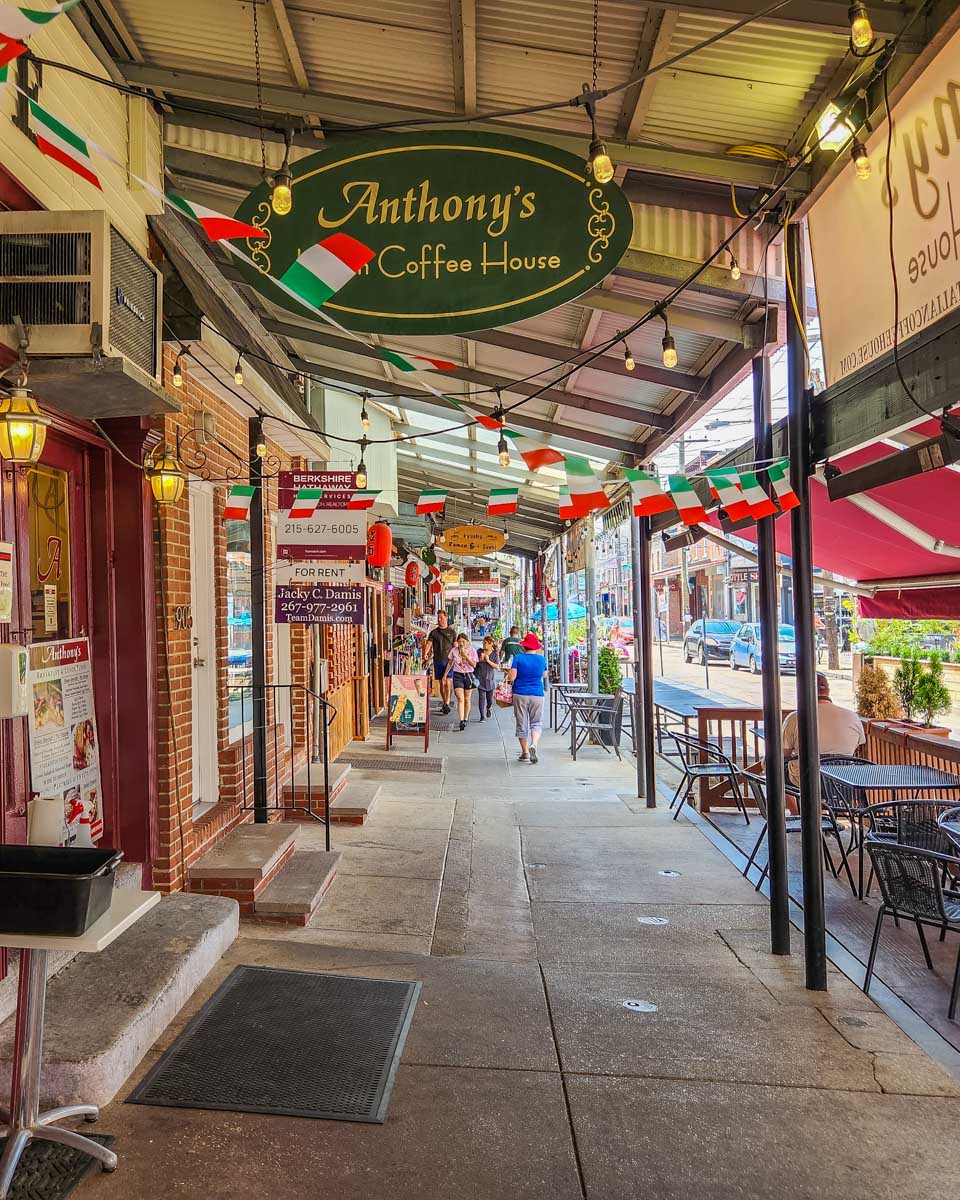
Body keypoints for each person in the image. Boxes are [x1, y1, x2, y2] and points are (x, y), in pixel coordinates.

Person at [782, 672, 864, 787]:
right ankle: (828, 805)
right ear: (828, 691)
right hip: (843, 781)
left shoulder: (795, 718)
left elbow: (783, 753)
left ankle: (796, 806)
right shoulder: (852, 716)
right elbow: (856, 746)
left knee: (775, 768)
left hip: (807, 780)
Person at [507, 632, 547, 764]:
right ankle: (534, 744)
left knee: (521, 723)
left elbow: (512, 677)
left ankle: (524, 752)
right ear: (536, 647)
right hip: (537, 694)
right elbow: (544, 674)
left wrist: (509, 672)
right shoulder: (542, 659)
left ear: (524, 646)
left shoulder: (518, 658)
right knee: (536, 722)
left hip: (520, 693)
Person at [444, 633, 479, 730]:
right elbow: (450, 662)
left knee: (467, 699)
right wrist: (445, 675)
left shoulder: (472, 651)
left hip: (468, 675)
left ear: (467, 642)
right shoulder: (454, 651)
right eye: (459, 641)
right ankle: (461, 720)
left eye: (463, 641)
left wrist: (466, 656)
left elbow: (474, 665)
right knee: (460, 698)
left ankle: (466, 718)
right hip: (457, 675)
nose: (461, 643)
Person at [425, 610, 457, 714]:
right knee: (441, 683)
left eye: (441, 618)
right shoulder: (433, 632)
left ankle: (447, 703)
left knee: (448, 682)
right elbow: (429, 644)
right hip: (438, 660)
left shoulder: (452, 632)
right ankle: (444, 702)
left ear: (446, 618)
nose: (439, 620)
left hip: (449, 661)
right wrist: (426, 653)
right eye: (438, 618)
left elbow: (455, 646)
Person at [475, 635, 501, 722]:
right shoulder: (479, 651)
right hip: (480, 678)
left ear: (491, 644)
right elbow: (474, 663)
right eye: (483, 642)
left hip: (490, 680)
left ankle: (488, 707)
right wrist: (479, 659)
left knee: (489, 699)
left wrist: (488, 660)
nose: (483, 644)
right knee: (481, 698)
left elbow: (497, 666)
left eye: (485, 643)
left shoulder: (495, 654)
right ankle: (482, 716)